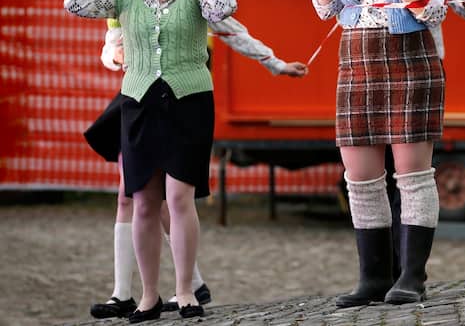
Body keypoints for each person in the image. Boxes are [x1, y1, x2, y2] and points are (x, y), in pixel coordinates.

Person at [65, 0, 237, 321]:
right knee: (143, 201)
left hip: (189, 99)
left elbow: (223, 8)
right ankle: (147, 296)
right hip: (139, 101)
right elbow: (74, 4)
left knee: (179, 198)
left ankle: (185, 292)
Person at [86, 17, 307, 319]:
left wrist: (274, 63)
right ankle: (126, 293)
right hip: (138, 96)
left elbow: (230, 30)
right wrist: (115, 55)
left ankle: (186, 286)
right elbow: (110, 46)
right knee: (136, 196)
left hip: (184, 92)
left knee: (170, 198)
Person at [312, 0, 449, 306]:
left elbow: (435, 11)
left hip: (410, 57)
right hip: (357, 58)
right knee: (362, 177)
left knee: (412, 175)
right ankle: (373, 278)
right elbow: (324, 9)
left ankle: (412, 277)